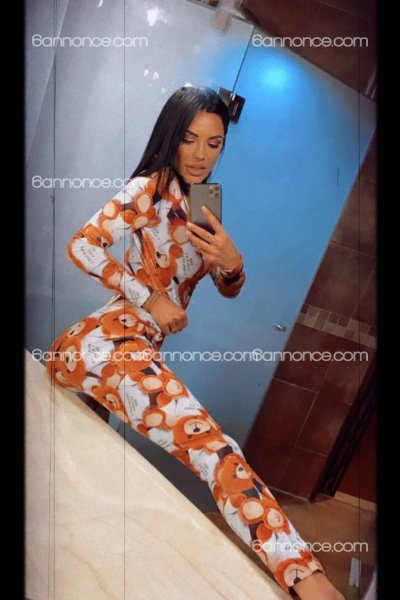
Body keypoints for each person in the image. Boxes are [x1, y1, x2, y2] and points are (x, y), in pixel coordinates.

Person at [46, 86, 344, 599]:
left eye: (214, 143)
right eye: (189, 139)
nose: (201, 154)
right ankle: (307, 578)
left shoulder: (204, 201)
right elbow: (82, 245)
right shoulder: (149, 188)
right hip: (107, 342)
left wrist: (234, 266)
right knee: (214, 448)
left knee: (81, 473)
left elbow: (223, 286)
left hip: (130, 347)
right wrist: (152, 297)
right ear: (170, 136)